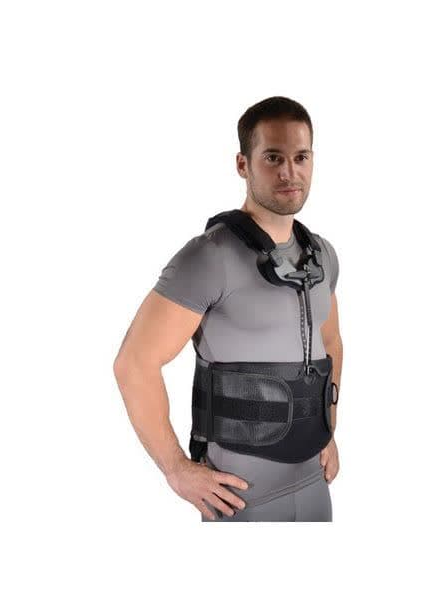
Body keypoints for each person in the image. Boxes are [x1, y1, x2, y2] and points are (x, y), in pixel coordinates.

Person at [113, 96, 343, 522]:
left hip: (316, 483)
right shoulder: (209, 257)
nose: (289, 172)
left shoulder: (321, 256)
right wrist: (177, 469)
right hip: (239, 496)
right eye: (273, 157)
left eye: (301, 157)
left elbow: (331, 343)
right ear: (243, 164)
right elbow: (134, 363)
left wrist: (329, 428)